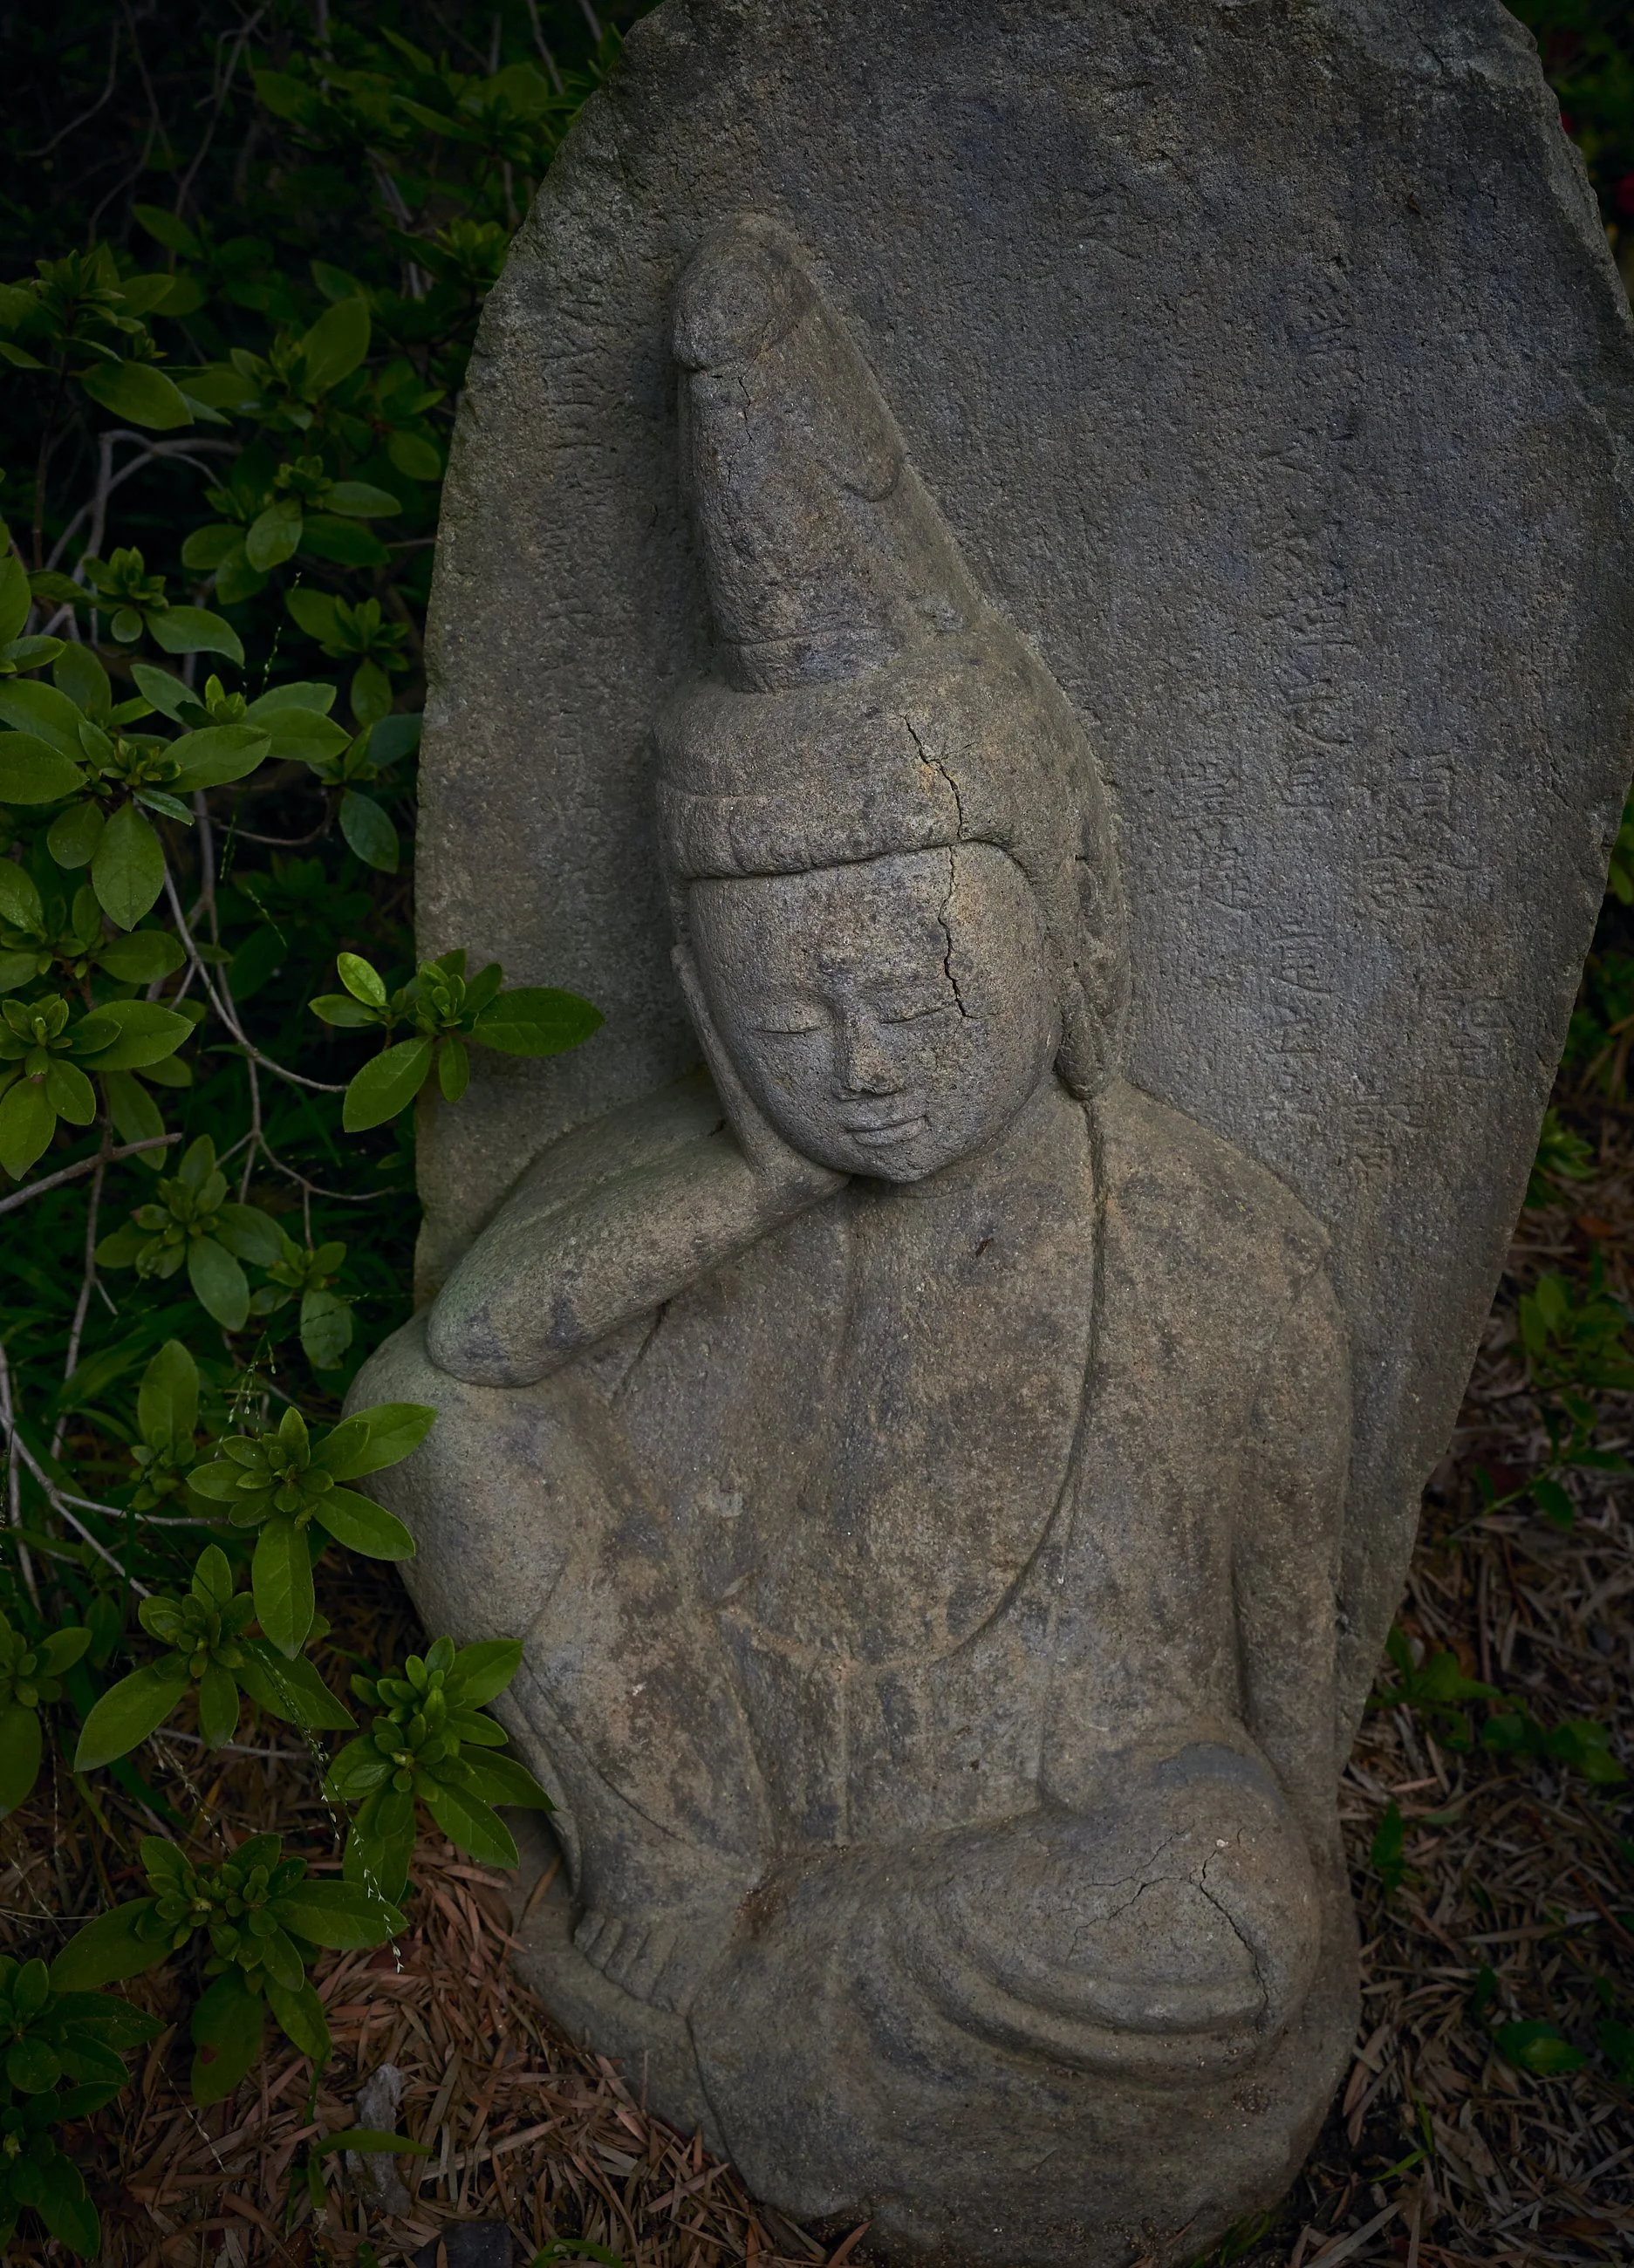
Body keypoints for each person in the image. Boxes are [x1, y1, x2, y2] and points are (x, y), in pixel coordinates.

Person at [356, 216, 1354, 2233]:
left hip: (1066, 1846)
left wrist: (1273, 1862)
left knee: (1237, 1921)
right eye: (789, 1008)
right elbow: (463, 1383)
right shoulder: (669, 1208)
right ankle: (704, 1914)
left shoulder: (1216, 1250)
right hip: (745, 1809)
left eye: (916, 992)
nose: (860, 1057)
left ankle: (789, 1996)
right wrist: (741, 1175)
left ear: (1058, 925)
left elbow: (1289, 1704)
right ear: (696, 991)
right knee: (428, 1413)